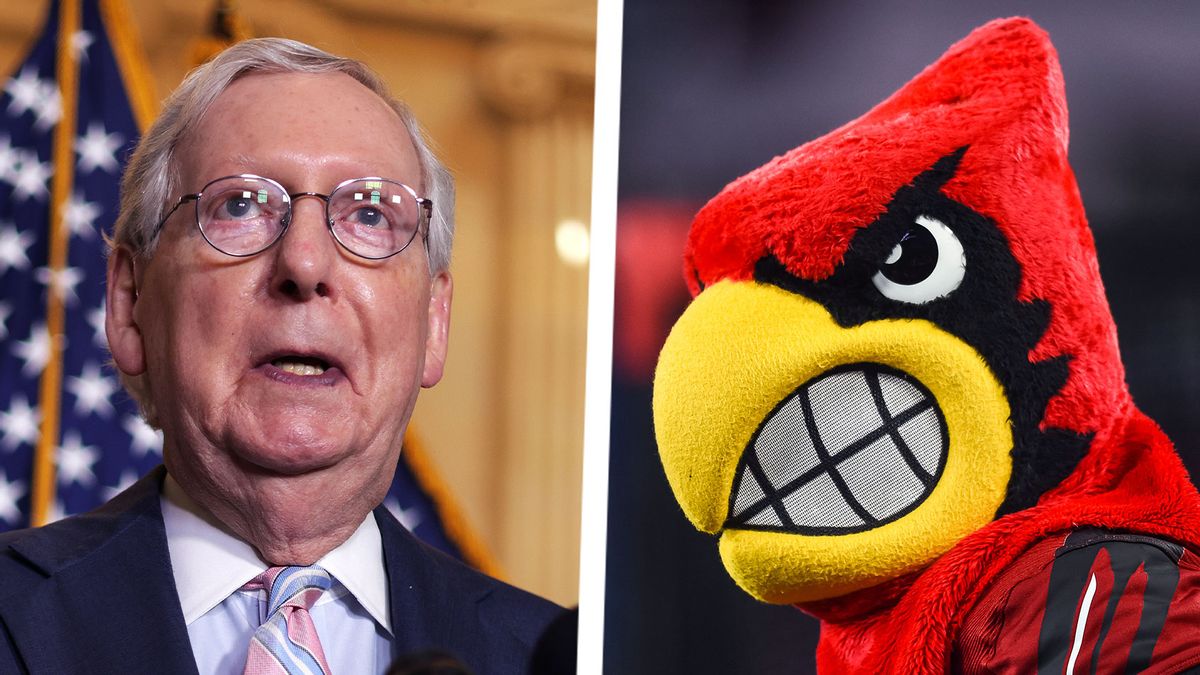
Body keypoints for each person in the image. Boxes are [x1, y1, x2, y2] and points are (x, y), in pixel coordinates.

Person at [0, 38, 562, 674]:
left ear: (435, 322)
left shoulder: (548, 655)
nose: (304, 263)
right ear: (130, 302)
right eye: (240, 205)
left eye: (370, 214)